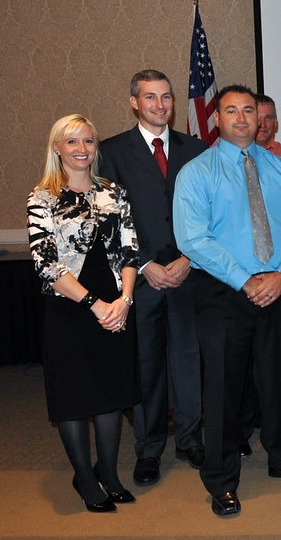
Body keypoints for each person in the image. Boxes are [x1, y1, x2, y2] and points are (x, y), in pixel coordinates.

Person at [174, 85, 281, 517]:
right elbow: (193, 239)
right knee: (223, 389)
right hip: (223, 293)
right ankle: (221, 480)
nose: (241, 118)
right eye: (231, 111)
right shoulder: (197, 173)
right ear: (216, 119)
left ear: (259, 119)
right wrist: (244, 280)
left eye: (248, 111)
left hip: (277, 288)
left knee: (279, 380)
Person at [99, 69, 209, 486]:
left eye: (166, 97)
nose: (160, 105)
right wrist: (145, 264)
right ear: (134, 102)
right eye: (150, 97)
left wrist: (188, 258)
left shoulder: (196, 148)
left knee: (189, 360)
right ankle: (148, 449)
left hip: (187, 274)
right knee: (146, 365)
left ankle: (190, 439)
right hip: (139, 279)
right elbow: (109, 220)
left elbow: (209, 211)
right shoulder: (111, 152)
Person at [27, 114, 140, 513]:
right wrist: (96, 304)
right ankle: (85, 478)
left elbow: (130, 251)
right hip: (70, 309)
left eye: (88, 141)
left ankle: (107, 471)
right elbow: (47, 264)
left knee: (110, 394)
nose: (81, 149)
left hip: (115, 307)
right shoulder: (42, 198)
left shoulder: (114, 192)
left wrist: (124, 301)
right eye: (72, 141)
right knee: (74, 397)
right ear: (56, 147)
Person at [255, 94, 281, 158]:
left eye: (268, 118)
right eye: (257, 118)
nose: (262, 124)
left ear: (275, 121)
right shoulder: (237, 154)